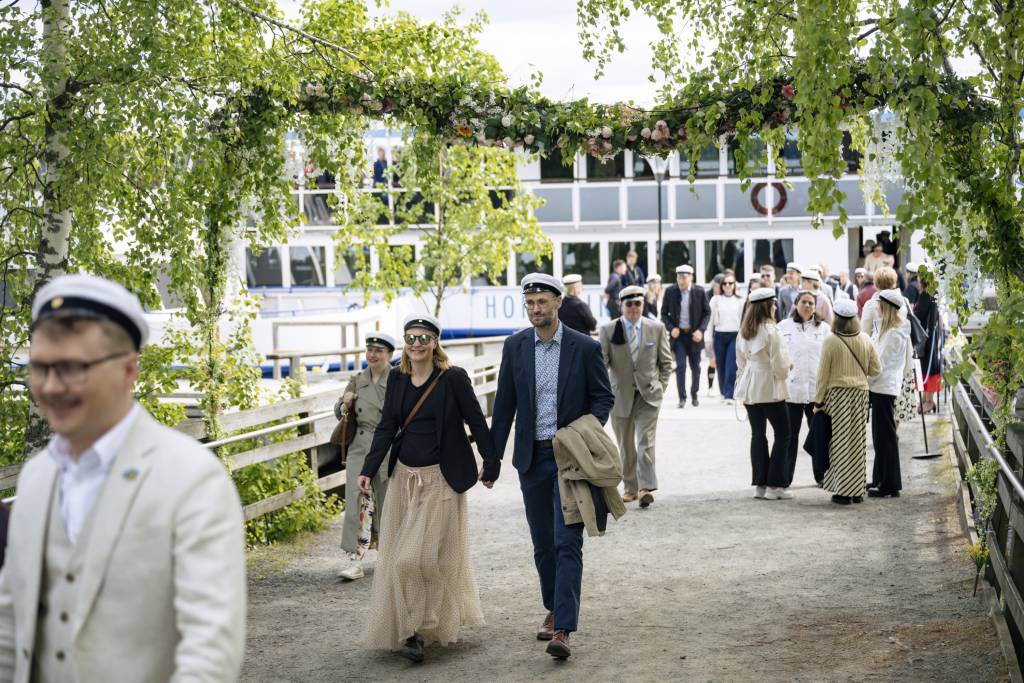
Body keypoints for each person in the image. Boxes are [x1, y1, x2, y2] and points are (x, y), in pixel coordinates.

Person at [0, 274, 246, 681]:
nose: (51, 386)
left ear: (129, 369)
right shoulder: (36, 477)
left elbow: (210, 650)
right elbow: (9, 623)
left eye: (73, 368)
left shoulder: (191, 479)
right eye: (40, 368)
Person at [358, 314, 500, 663]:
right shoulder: (397, 378)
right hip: (404, 479)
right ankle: (413, 632)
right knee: (400, 557)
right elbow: (387, 426)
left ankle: (418, 627)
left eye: (424, 338)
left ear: (435, 342)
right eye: (411, 338)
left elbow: (477, 422)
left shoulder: (453, 379)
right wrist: (368, 468)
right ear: (405, 344)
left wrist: (491, 461)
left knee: (416, 557)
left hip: (442, 480)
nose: (417, 345)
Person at [491, 273, 615, 660]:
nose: (535, 309)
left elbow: (603, 398)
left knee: (567, 542)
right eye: (529, 303)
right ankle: (552, 607)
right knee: (543, 544)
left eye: (542, 302)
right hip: (531, 460)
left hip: (570, 462)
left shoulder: (583, 348)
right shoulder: (515, 347)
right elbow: (504, 407)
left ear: (558, 302)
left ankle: (563, 627)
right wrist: (492, 460)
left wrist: (583, 435)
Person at [599, 286, 674, 508]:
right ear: (621, 306)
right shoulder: (608, 330)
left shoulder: (656, 328)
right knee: (625, 444)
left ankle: (645, 488)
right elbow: (600, 365)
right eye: (629, 304)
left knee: (645, 441)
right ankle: (630, 487)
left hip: (648, 396)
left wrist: (660, 387)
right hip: (619, 396)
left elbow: (666, 363)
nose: (634, 308)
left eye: (638, 304)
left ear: (643, 305)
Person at [334, 332, 396, 581]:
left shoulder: (399, 378)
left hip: (389, 447)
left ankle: (389, 557)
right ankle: (355, 560)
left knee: (388, 502)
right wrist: (343, 405)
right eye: (370, 350)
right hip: (360, 447)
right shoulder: (357, 380)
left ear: (389, 354)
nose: (373, 355)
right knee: (357, 501)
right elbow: (340, 413)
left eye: (379, 351)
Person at [815, 299, 882, 505]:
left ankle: (843, 492)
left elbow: (822, 375)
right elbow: (876, 370)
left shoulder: (831, 341)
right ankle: (857, 490)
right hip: (861, 394)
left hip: (839, 396)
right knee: (858, 442)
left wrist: (818, 402)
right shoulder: (865, 339)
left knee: (840, 443)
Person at [735, 288, 792, 500]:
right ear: (767, 306)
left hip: (750, 386)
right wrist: (788, 367)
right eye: (773, 304)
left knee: (758, 435)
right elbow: (780, 366)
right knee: (783, 434)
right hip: (769, 386)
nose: (776, 307)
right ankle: (775, 486)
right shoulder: (771, 331)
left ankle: (760, 484)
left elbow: (740, 361)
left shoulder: (744, 331)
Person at [778, 290, 831, 486]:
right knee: (790, 437)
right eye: (803, 302)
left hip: (816, 392)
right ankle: (785, 478)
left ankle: (822, 476)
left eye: (811, 303)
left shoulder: (824, 329)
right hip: (792, 391)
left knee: (818, 436)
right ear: (796, 304)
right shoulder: (784, 327)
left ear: (816, 307)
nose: (807, 306)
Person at [867, 290, 911, 498]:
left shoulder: (893, 333)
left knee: (885, 437)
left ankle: (889, 484)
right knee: (881, 436)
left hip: (884, 387)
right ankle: (880, 478)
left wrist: (865, 382)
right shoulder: (887, 330)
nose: (876, 308)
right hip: (880, 387)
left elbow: (879, 365)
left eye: (879, 305)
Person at [660, 264, 711, 408]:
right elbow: (664, 313)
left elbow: (707, 313)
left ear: (691, 278)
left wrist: (701, 330)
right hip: (679, 336)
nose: (680, 280)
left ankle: (694, 394)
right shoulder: (670, 291)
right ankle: (682, 397)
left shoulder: (699, 291)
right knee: (681, 366)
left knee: (696, 367)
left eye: (684, 277)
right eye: (678, 277)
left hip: (694, 335)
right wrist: (671, 328)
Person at [708, 273, 744, 404]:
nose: (727, 286)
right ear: (721, 285)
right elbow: (710, 321)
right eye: (725, 283)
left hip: (734, 336)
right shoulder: (716, 300)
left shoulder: (740, 300)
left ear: (734, 285)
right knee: (721, 366)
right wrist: (707, 340)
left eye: (730, 283)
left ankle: (729, 394)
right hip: (719, 335)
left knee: (731, 365)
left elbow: (742, 321)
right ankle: (723, 392)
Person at [915, 274, 942, 413]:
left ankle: (930, 400)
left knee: (927, 366)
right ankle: (926, 398)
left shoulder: (926, 296)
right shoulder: (933, 295)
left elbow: (919, 315)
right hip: (930, 336)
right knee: (926, 366)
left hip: (926, 338)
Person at [860, 266, 903, 336]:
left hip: (877, 344)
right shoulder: (903, 301)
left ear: (876, 284)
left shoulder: (871, 304)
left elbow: (865, 331)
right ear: (894, 283)